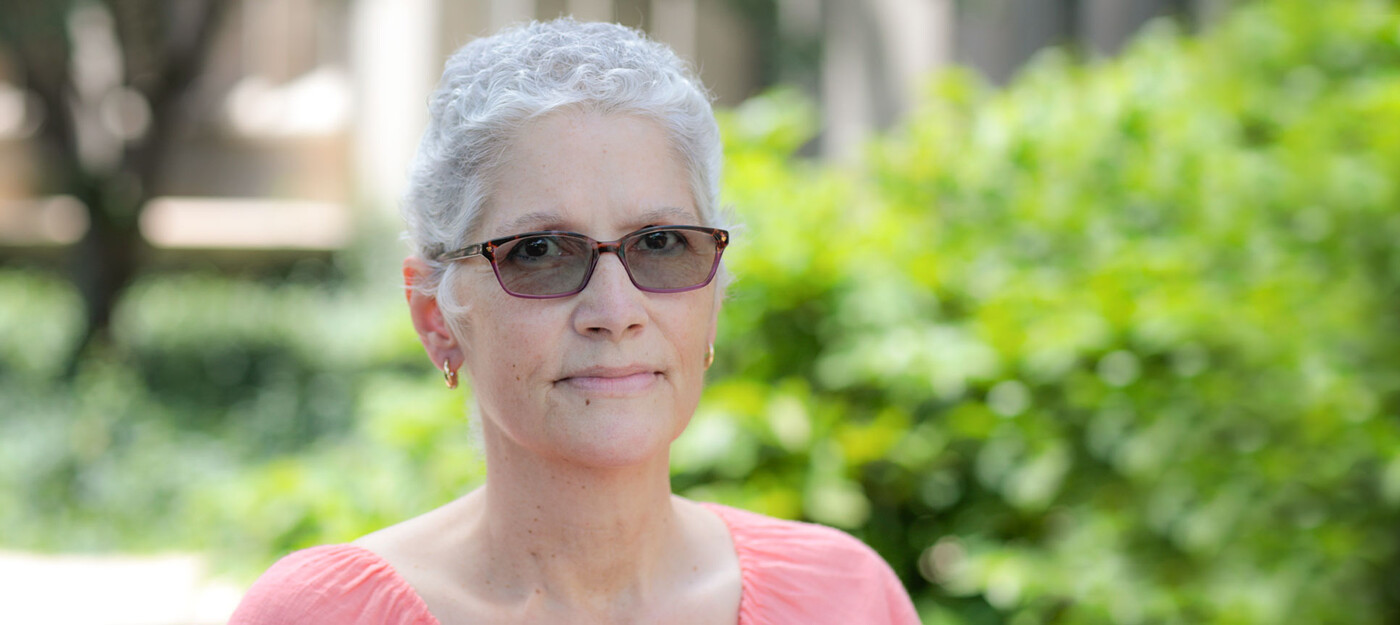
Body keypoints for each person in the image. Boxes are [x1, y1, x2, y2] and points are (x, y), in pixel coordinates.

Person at [230, 18, 919, 625]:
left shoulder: (846, 597)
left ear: (713, 296)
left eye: (661, 243)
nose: (615, 312)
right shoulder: (319, 616)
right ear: (436, 315)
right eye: (540, 252)